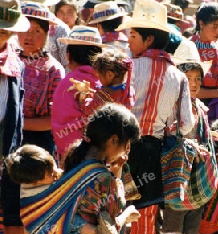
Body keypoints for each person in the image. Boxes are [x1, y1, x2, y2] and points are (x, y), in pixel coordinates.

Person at [115, 1, 195, 234]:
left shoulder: (128, 67)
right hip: (151, 154)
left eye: (133, 34)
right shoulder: (179, 76)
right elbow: (185, 125)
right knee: (145, 229)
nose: (128, 40)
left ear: (148, 39)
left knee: (111, 219)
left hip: (119, 150)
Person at [48, 103, 141, 234]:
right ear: (113, 140)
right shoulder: (103, 179)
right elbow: (109, 229)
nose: (126, 151)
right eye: (126, 145)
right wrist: (128, 215)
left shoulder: (76, 164)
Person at [162, 43, 214, 234]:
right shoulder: (171, 105)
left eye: (198, 79)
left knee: (192, 233)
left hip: (196, 176)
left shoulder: (199, 107)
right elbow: (168, 135)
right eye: (188, 78)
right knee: (173, 232)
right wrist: (189, 146)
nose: (194, 83)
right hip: (177, 175)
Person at [0, 1, 30, 234]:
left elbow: (16, 112)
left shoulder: (15, 63)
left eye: (6, 30)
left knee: (13, 215)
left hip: (8, 151)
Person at [18, 2, 65, 154]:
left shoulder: (53, 70)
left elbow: (53, 119)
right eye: (25, 29)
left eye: (36, 31)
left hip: (37, 143)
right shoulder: (8, 62)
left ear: (46, 34)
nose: (29, 36)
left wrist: (17, 122)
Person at [51, 25, 104, 158]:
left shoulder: (65, 84)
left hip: (70, 156)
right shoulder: (104, 84)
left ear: (68, 55)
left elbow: (60, 124)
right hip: (100, 155)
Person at [80, 48, 135, 116]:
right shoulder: (129, 91)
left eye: (99, 76)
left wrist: (84, 100)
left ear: (109, 75)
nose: (98, 78)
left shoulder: (103, 94)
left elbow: (88, 110)